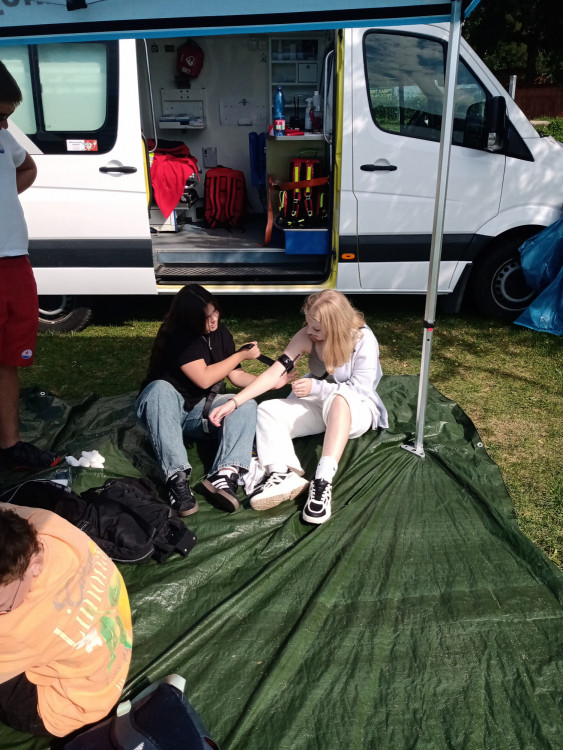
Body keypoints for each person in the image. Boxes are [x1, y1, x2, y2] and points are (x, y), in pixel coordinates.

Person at [210, 290, 389, 525]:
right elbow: (273, 374)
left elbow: (360, 391)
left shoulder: (363, 340)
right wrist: (234, 402)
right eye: (308, 324)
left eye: (317, 328)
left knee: (339, 399)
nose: (310, 332)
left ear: (336, 326)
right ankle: (282, 474)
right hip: (318, 404)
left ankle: (322, 482)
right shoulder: (306, 336)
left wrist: (317, 387)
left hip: (355, 409)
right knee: (267, 410)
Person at [136, 283, 294, 514]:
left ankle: (225, 474)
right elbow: (204, 378)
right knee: (159, 388)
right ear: (190, 320)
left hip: (197, 411)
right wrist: (240, 354)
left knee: (245, 404)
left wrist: (271, 382)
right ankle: (177, 479)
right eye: (206, 317)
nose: (214, 320)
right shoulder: (179, 337)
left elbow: (235, 375)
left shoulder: (221, 334)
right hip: (163, 410)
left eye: (215, 312)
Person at [0, 503, 132, 738]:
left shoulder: (18, 629)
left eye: (2, 606)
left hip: (64, 706)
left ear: (34, 566)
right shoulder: (43, 524)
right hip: (104, 666)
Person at [0, 60, 60, 472]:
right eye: (0, 116)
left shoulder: (4, 137)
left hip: (14, 260)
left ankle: (9, 445)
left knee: (8, 357)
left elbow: (28, 167)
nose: (6, 125)